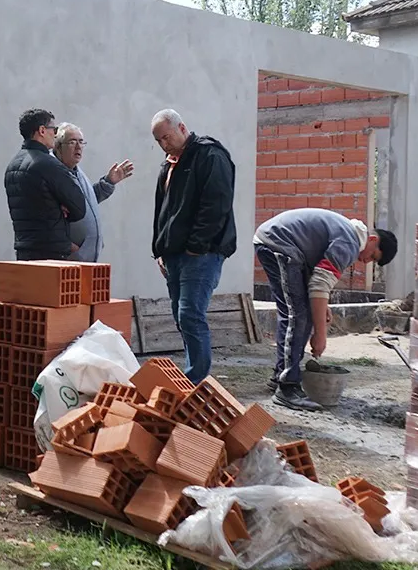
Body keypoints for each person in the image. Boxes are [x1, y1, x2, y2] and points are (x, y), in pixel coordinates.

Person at [253, 208, 397, 411]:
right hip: (277, 242)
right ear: (372, 240)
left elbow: (318, 279)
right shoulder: (350, 243)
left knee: (303, 313)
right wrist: (320, 335)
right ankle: (287, 387)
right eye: (373, 255)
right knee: (297, 315)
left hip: (287, 246)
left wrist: (322, 306)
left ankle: (281, 377)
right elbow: (319, 285)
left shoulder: (348, 236)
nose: (367, 261)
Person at [150, 108, 236, 384]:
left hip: (201, 254)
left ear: (182, 128)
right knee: (180, 314)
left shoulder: (210, 155)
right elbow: (162, 211)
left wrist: (196, 246)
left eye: (166, 137)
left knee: (190, 313)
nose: (164, 144)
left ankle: (195, 380)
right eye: (159, 141)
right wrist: (159, 250)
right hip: (174, 254)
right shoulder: (170, 164)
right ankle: (193, 375)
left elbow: (216, 205)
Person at [5, 109, 87, 261]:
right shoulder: (49, 165)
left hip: (24, 251)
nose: (55, 134)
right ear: (42, 130)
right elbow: (79, 207)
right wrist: (61, 207)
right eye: (53, 129)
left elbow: (34, 204)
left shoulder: (13, 165)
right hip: (51, 253)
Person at [53, 122, 134, 262]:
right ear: (58, 146)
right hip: (69, 259)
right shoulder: (54, 174)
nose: (78, 147)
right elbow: (47, 217)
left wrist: (109, 182)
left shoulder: (77, 172)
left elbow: (86, 202)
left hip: (86, 258)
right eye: (72, 142)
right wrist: (70, 247)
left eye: (81, 142)